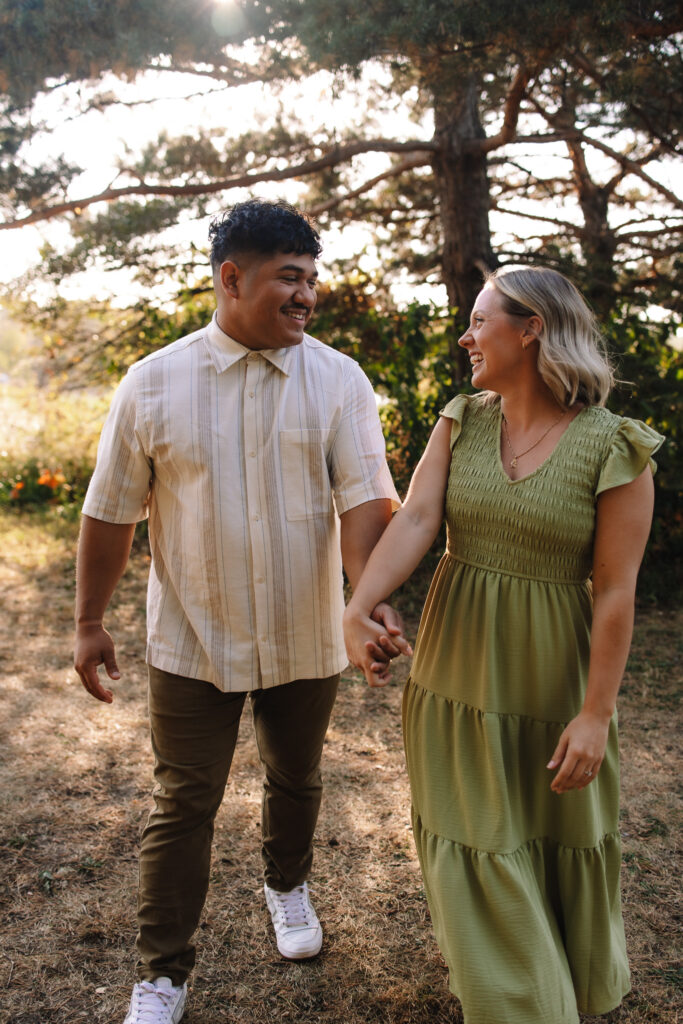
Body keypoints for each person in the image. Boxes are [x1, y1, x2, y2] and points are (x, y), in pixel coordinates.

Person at [74, 198, 407, 1024]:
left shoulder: (338, 379)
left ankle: (287, 886)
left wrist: (366, 603)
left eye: (311, 280)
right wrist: (87, 620)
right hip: (194, 635)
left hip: (303, 631)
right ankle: (161, 973)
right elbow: (110, 510)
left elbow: (365, 503)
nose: (306, 296)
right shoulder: (152, 382)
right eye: (288, 279)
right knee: (183, 803)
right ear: (232, 278)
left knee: (297, 777)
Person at [344, 266, 664, 1024]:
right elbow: (417, 520)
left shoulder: (614, 446)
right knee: (475, 834)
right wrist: (357, 607)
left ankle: (563, 988)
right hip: (457, 673)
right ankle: (518, 1004)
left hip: (556, 679)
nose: (465, 336)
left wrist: (595, 715)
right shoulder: (462, 418)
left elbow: (616, 590)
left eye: (480, 320)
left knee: (555, 834)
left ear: (532, 329)